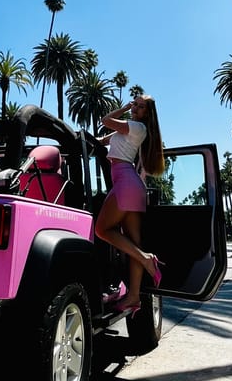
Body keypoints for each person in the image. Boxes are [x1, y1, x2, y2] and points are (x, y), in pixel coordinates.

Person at [95, 94, 165, 315]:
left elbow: (105, 120)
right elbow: (101, 140)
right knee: (134, 244)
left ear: (147, 113)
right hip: (130, 185)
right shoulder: (126, 130)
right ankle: (133, 296)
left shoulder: (136, 127)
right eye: (134, 103)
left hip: (125, 183)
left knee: (101, 229)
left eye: (140, 106)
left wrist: (123, 108)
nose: (135, 108)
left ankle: (147, 259)